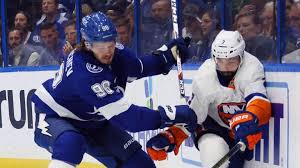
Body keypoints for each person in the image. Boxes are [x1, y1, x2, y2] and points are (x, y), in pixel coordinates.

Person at [31, 11, 196, 168]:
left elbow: (140, 67)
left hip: (94, 121)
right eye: (101, 46)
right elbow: (129, 119)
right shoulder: (84, 73)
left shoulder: (117, 53)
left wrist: (169, 55)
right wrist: (172, 114)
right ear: (88, 44)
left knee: (139, 164)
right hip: (56, 115)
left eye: (110, 44)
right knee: (70, 143)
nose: (108, 51)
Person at [146, 30, 271, 168]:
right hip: (213, 127)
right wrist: (171, 135)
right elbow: (194, 116)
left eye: (232, 61)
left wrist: (251, 118)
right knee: (213, 151)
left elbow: (259, 100)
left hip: (241, 129)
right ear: (214, 57)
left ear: (241, 56)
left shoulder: (251, 67)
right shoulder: (205, 76)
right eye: (220, 61)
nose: (225, 67)